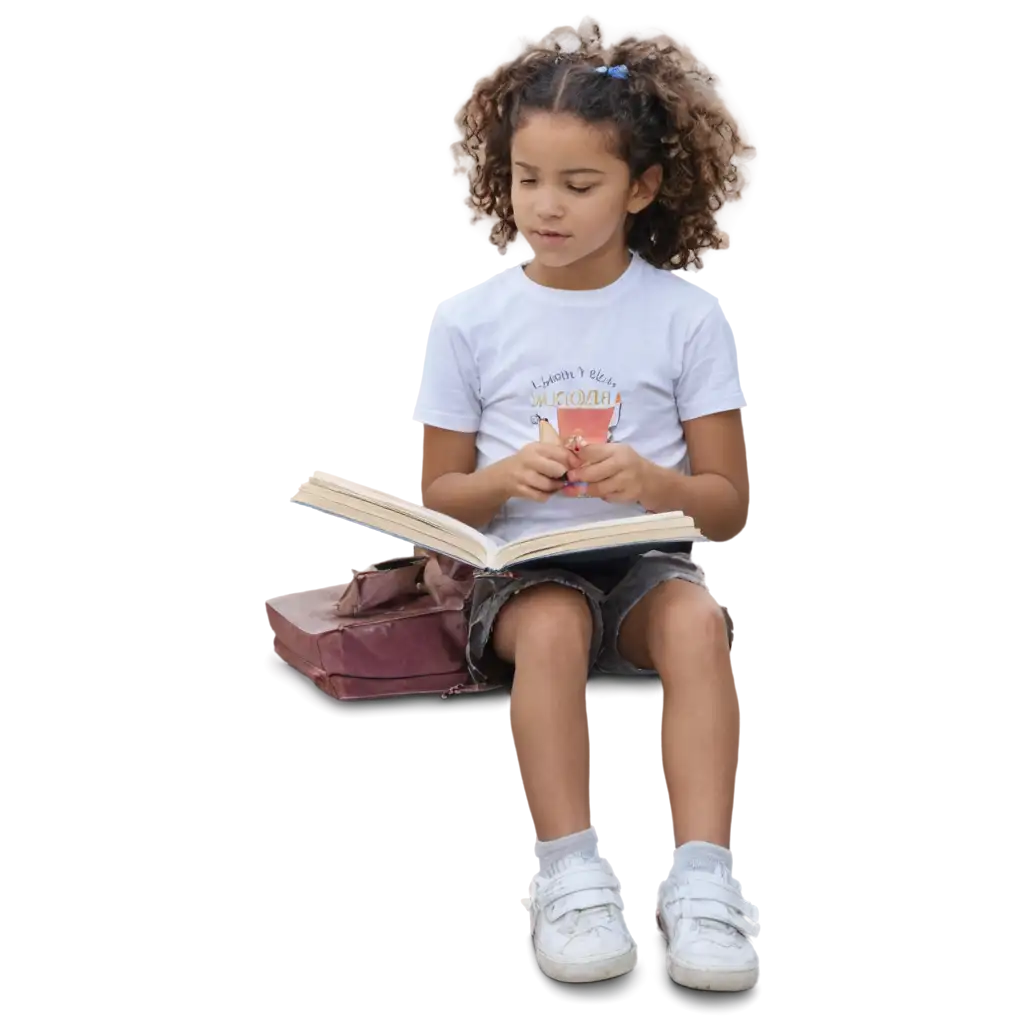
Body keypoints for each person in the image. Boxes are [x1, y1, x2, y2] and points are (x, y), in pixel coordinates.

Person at [412, 15, 760, 993]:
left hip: (643, 562)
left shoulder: (684, 313)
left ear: (641, 189)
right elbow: (437, 492)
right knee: (558, 625)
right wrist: (499, 479)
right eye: (527, 179)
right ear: (502, 174)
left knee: (694, 620)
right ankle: (567, 873)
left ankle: (704, 884)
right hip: (520, 570)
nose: (545, 207)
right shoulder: (468, 317)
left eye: (579, 184)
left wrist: (652, 484)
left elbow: (725, 504)